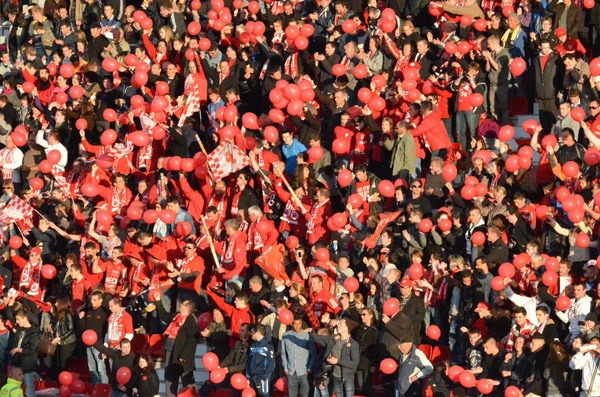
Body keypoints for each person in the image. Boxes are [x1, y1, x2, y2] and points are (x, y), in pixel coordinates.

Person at [154, 292, 198, 397]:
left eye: (182, 304)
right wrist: (158, 301)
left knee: (186, 376)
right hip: (170, 348)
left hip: (182, 353)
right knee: (170, 376)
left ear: (187, 308)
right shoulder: (176, 316)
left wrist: (184, 355)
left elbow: (191, 341)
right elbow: (163, 315)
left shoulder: (191, 322)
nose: (180, 305)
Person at [281, 317, 316, 397]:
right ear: (292, 324)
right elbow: (283, 353)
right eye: (295, 324)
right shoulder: (286, 335)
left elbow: (313, 354)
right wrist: (286, 369)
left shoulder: (306, 335)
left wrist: (309, 369)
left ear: (301, 323)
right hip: (291, 371)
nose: (297, 326)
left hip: (303, 371)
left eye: (299, 324)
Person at [247, 325, 276, 397]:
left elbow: (271, 364)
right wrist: (247, 377)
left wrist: (264, 378)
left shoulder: (268, 345)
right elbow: (249, 362)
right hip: (252, 377)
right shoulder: (253, 345)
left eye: (252, 332)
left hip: (262, 377)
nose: (251, 334)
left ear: (258, 333)